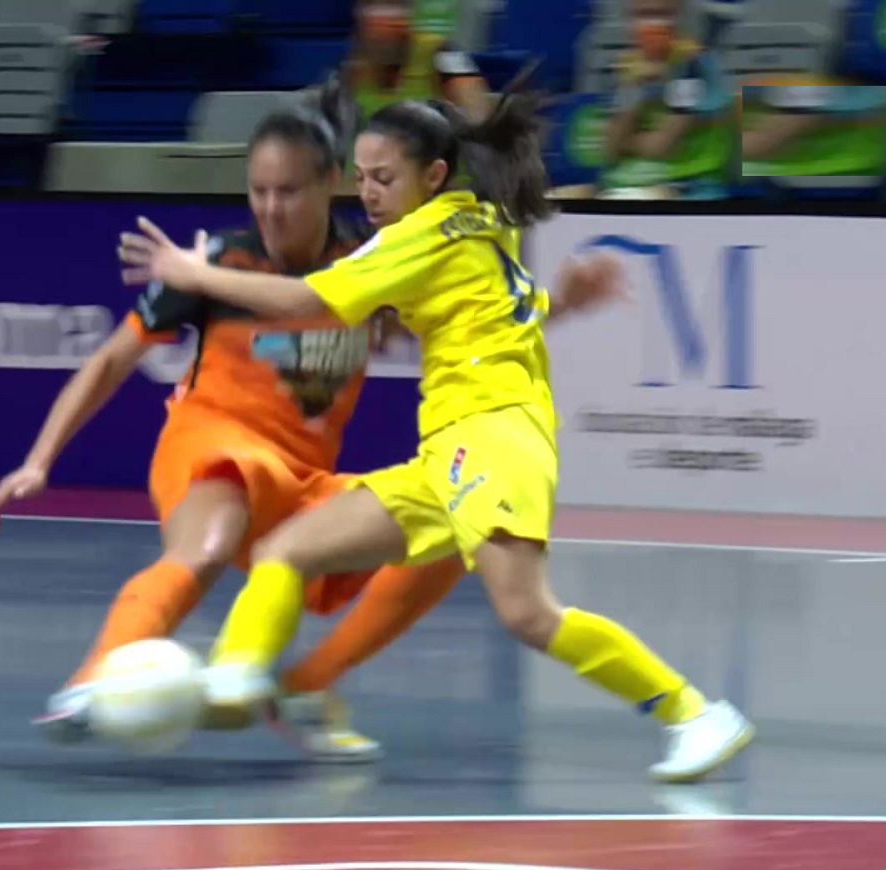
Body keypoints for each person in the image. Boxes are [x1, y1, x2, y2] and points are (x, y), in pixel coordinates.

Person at [118, 86, 754, 783]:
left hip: (493, 436)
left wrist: (192, 273)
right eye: (360, 178)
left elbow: (304, 301)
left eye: (384, 178)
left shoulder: (414, 238)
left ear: (435, 176)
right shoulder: (482, 221)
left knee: (527, 613)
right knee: (287, 548)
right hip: (449, 450)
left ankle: (694, 714)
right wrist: (562, 304)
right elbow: (497, 311)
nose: (369, 193)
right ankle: (237, 677)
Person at [0, 80, 618, 762]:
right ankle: (90, 682)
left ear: (330, 185)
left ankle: (308, 685)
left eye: (287, 191)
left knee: (449, 543)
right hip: (212, 446)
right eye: (258, 191)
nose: (270, 208)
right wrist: (39, 458)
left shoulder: (371, 263)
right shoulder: (217, 265)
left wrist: (562, 307)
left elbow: (475, 318)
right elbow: (112, 361)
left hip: (301, 479)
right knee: (208, 544)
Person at [599, 0, 735, 200]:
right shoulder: (628, 67)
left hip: (687, 187)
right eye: (644, 15)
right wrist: (634, 89)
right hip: (629, 182)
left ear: (682, 18)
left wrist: (626, 142)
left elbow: (659, 147)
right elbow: (609, 151)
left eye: (663, 15)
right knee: (560, 197)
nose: (654, 24)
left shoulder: (693, 67)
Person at [343, 0, 489, 121]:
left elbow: (479, 114)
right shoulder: (354, 67)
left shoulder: (444, 52)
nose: (387, 24)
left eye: (394, 11)